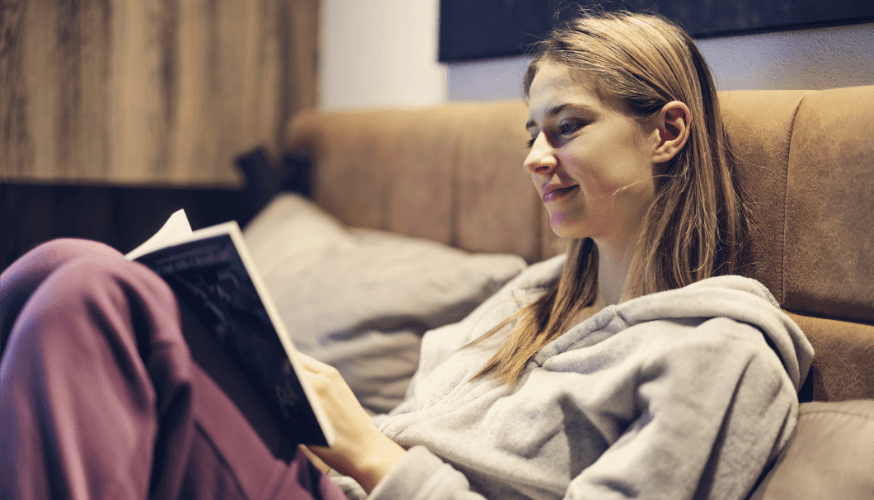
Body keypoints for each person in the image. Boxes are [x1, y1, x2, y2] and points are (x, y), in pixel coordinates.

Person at [0, 10, 812, 500]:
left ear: (667, 131)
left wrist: (377, 459)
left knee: (97, 296)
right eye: (532, 132)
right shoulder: (527, 301)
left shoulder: (720, 354)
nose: (536, 156)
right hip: (333, 477)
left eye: (566, 126)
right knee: (61, 263)